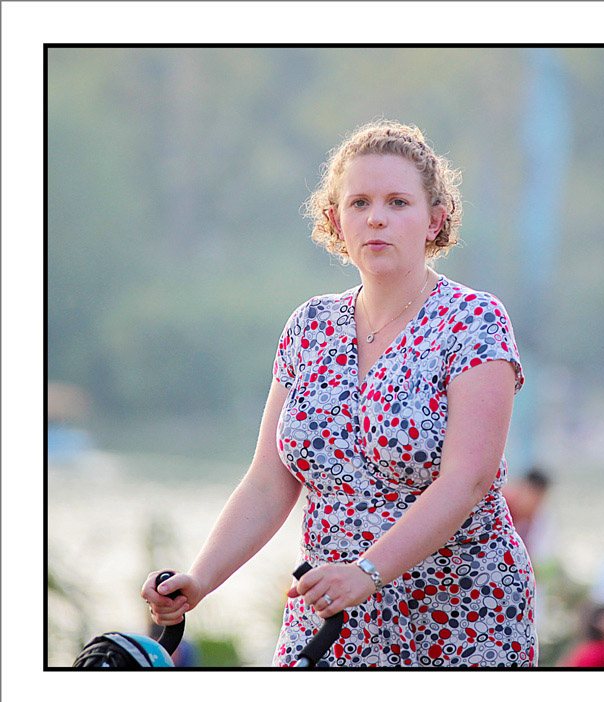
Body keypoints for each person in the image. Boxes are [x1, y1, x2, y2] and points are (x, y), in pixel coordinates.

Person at [141, 120, 537, 667]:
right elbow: (267, 481)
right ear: (335, 220)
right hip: (328, 623)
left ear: (435, 220)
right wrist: (201, 578)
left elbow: (466, 481)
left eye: (398, 201)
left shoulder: (475, 321)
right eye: (359, 202)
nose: (376, 216)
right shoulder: (310, 325)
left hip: (457, 622)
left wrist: (367, 572)